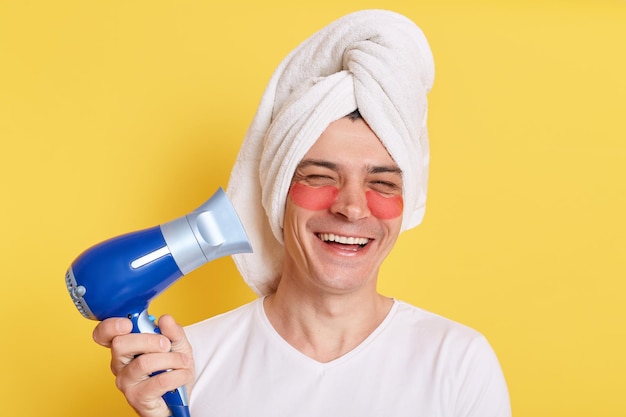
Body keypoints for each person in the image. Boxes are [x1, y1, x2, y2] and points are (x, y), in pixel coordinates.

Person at [93, 9, 512, 417]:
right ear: (278, 195)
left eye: (382, 183)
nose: (351, 207)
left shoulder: (458, 364)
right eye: (319, 176)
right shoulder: (188, 365)